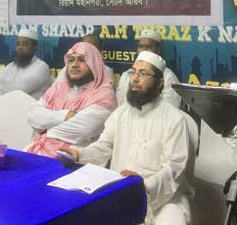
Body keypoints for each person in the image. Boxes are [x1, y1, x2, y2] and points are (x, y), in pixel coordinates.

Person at [59, 51, 192, 225]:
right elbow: (105, 145)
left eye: (143, 74)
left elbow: (174, 167)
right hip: (121, 190)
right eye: (133, 72)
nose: (135, 79)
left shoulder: (174, 119)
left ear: (160, 84)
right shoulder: (121, 113)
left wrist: (144, 185)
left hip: (162, 197)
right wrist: (79, 154)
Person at [26, 41, 117, 157]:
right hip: (39, 150)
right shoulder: (59, 87)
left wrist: (45, 129)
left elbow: (82, 130)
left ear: (93, 65)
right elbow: (33, 115)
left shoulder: (104, 94)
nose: (75, 65)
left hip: (75, 158)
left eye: (82, 60)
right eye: (71, 60)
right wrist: (65, 115)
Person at [116, 29, 181, 107]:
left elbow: (170, 107)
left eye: (149, 47)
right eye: (141, 47)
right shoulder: (126, 75)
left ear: (158, 50)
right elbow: (121, 105)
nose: (144, 51)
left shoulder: (168, 77)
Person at [0, 28, 52, 99]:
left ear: (34, 47)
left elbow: (19, 90)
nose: (20, 47)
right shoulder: (12, 66)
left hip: (31, 105)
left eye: (25, 44)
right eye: (18, 44)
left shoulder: (42, 67)